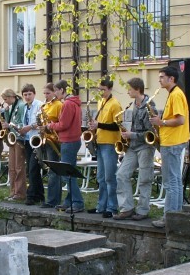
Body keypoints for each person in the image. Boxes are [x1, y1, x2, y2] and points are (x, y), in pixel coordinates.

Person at [149, 66, 190, 228]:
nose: (159, 80)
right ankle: (176, 215)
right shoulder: (174, 93)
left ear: (171, 79)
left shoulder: (176, 95)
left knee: (170, 181)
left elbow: (180, 120)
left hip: (172, 142)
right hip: (171, 141)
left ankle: (169, 217)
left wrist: (162, 122)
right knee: (175, 181)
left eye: (162, 77)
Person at [114, 78, 157, 221]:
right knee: (121, 174)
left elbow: (151, 133)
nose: (128, 91)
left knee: (145, 179)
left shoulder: (149, 106)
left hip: (145, 146)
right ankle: (127, 208)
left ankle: (143, 210)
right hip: (133, 146)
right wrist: (127, 137)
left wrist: (131, 135)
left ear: (137, 89)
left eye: (130, 89)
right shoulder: (134, 104)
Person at [45, 80, 84, 213]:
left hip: (68, 141)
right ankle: (68, 201)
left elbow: (63, 125)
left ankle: (78, 202)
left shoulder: (67, 103)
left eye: (56, 90)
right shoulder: (74, 102)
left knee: (66, 174)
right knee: (70, 172)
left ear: (62, 90)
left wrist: (50, 125)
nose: (55, 93)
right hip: (74, 140)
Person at [87, 77, 122, 218]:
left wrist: (99, 125)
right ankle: (101, 206)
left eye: (103, 90)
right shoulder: (101, 101)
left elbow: (117, 126)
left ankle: (112, 207)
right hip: (100, 142)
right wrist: (94, 127)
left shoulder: (115, 104)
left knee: (109, 177)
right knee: (101, 177)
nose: (100, 92)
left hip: (110, 143)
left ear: (110, 89)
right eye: (99, 89)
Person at [20, 84, 44, 205]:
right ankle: (40, 195)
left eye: (29, 94)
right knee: (31, 169)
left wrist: (29, 127)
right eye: (25, 95)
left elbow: (41, 122)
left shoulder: (39, 105)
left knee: (33, 168)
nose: (27, 97)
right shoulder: (25, 107)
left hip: (37, 140)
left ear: (34, 94)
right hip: (28, 140)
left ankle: (31, 196)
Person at [40, 82, 63, 209]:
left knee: (54, 171)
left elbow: (61, 122)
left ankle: (53, 200)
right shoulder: (45, 105)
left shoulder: (59, 105)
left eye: (48, 93)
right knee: (51, 170)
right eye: (44, 93)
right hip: (47, 139)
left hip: (55, 139)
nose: (46, 95)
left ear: (54, 92)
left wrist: (50, 126)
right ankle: (52, 199)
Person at [1, 88, 27, 201]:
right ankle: (13, 191)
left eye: (5, 99)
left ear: (11, 96)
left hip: (19, 138)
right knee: (11, 167)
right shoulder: (11, 106)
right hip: (12, 138)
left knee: (18, 167)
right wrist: (6, 112)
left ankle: (20, 192)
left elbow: (22, 123)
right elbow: (9, 121)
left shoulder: (21, 105)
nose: (5, 101)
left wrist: (10, 126)